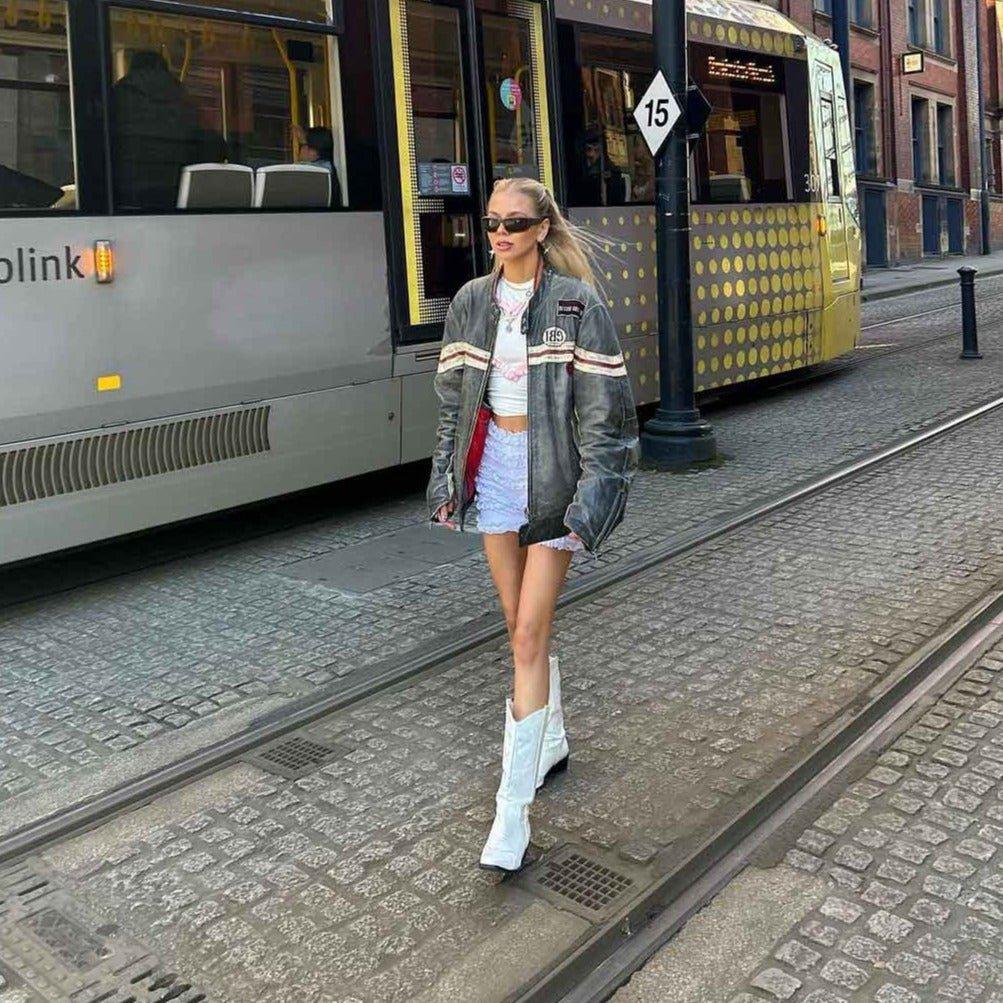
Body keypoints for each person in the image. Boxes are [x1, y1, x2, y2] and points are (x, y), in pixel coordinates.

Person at [427, 177, 639, 872]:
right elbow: (453, 407)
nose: (500, 234)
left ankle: (510, 811)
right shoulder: (468, 303)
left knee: (526, 632)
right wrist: (446, 482)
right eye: (491, 222)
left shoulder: (578, 305)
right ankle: (547, 740)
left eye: (515, 222)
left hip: (551, 475)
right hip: (493, 473)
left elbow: (609, 422)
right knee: (519, 623)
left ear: (543, 227)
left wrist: (590, 504)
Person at [111, 50, 224, 210]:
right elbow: (215, 147)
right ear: (164, 67)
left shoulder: (115, 96)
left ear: (132, 68)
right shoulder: (183, 98)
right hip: (175, 198)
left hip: (125, 201)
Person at [296, 125, 342, 208]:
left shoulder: (313, 173)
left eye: (303, 145)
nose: (300, 150)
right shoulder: (328, 169)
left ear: (314, 152)